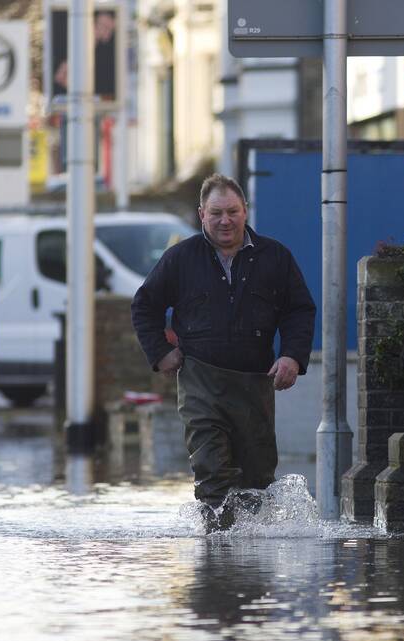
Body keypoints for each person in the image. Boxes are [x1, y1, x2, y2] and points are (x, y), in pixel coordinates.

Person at [131, 174, 316, 530]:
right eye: (216, 213)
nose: (225, 220)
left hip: (254, 385)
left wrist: (292, 355)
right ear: (202, 214)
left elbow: (299, 310)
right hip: (201, 383)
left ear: (245, 211)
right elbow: (144, 305)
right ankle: (216, 563)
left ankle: (247, 572)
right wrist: (160, 352)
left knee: (256, 483)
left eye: (232, 211)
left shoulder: (274, 257)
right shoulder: (180, 258)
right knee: (213, 474)